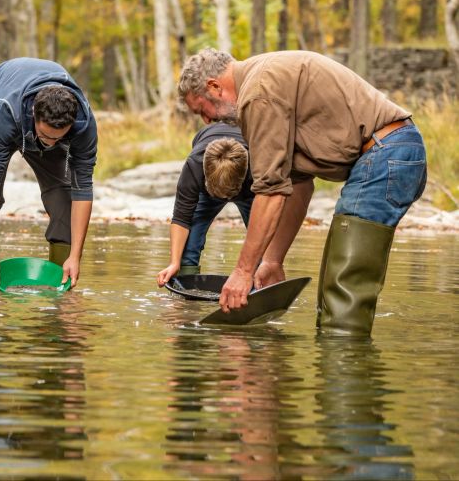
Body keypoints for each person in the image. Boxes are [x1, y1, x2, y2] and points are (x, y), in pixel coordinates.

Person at [177, 49, 426, 335]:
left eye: (201, 110)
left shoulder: (258, 93)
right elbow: (298, 185)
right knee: (335, 289)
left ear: (214, 87)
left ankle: (348, 367)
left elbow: (270, 192)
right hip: (389, 153)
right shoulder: (263, 82)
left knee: (344, 296)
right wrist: (272, 261)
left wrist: (243, 272)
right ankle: (333, 367)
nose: (207, 121)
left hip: (385, 153)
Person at [0, 57, 98, 288]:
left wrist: (76, 256)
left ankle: (60, 282)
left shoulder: (84, 124)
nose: (52, 144)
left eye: (59, 137)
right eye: (46, 136)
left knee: (62, 196)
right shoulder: (6, 112)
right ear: (34, 114)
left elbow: (82, 189)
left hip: (39, 119)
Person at [155, 124, 253, 287]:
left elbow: (270, 223)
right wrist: (174, 263)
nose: (225, 199)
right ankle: (186, 289)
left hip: (250, 191)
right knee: (187, 247)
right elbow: (181, 218)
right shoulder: (194, 167)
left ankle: (261, 282)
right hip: (208, 186)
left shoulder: (259, 169)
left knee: (262, 247)